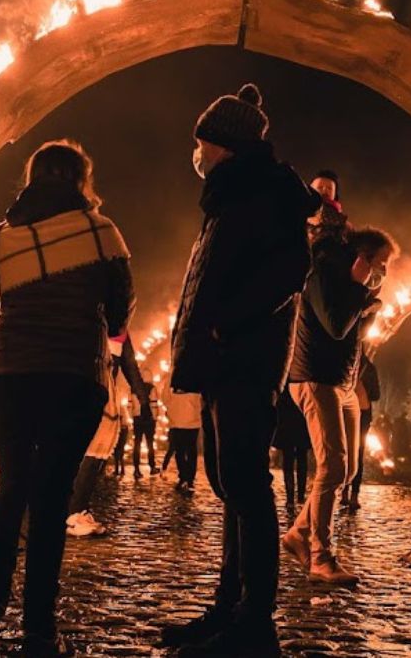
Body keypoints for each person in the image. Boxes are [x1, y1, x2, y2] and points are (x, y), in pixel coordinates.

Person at [0, 139, 133, 656]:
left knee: (12, 485)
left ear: (31, 178)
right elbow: (120, 311)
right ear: (81, 180)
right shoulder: (102, 232)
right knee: (52, 498)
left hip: (10, 376)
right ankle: (39, 622)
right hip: (75, 378)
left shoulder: (2, 236)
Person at [161, 83, 320, 658]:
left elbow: (288, 269)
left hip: (245, 359)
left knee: (246, 485)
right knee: (229, 483)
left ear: (223, 144)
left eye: (201, 142)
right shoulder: (231, 196)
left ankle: (255, 624)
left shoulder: (263, 193)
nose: (196, 153)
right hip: (223, 357)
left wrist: (226, 324)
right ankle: (230, 607)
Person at [282, 226, 397, 587]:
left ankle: (298, 535)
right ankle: (321, 557)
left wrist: (369, 303)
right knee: (332, 464)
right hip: (316, 377)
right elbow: (335, 325)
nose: (384, 272)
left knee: (346, 470)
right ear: (361, 258)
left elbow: (356, 334)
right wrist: (361, 292)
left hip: (344, 381)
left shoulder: (351, 283)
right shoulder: (323, 274)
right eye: (381, 263)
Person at [67, 334, 149, 537]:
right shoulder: (90, 318)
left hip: (104, 397)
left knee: (95, 457)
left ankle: (77, 510)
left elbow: (130, 364)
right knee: (81, 455)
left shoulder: (120, 333)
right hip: (81, 392)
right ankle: (71, 514)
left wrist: (142, 396)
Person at [341, 354, 381, 512]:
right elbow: (376, 395)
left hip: (344, 411)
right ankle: (354, 496)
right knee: (358, 454)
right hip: (363, 413)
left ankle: (343, 491)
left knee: (344, 452)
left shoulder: (345, 361)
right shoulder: (369, 368)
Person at [271, 387, 311, 516]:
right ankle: (298, 496)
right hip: (298, 410)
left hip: (289, 412)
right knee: (299, 456)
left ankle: (293, 497)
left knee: (292, 457)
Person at [162, 384, 202, 492]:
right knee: (190, 452)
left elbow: (165, 397)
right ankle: (189, 479)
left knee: (180, 452)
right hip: (190, 422)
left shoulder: (173, 375)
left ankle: (184, 477)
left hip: (178, 421)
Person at [132, 382, 159, 478]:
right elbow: (154, 404)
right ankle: (152, 467)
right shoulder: (151, 388)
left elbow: (130, 404)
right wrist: (155, 417)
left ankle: (136, 469)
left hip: (137, 418)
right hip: (149, 419)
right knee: (150, 444)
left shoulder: (133, 387)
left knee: (137, 444)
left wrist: (133, 415)